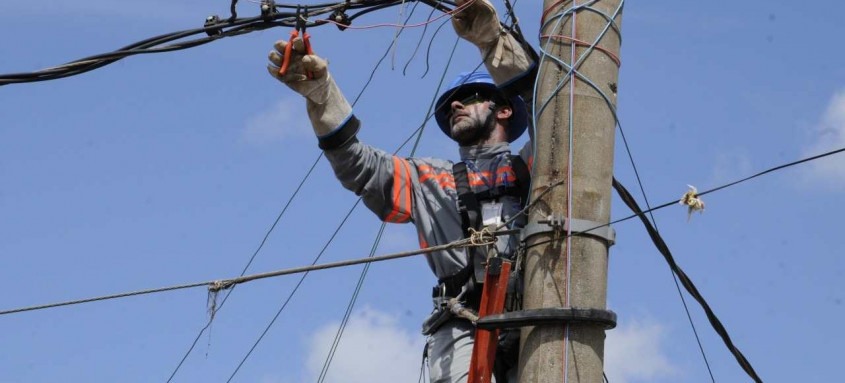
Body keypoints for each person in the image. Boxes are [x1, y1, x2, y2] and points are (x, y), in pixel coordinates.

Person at [267, 1, 537, 381]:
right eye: (449, 105)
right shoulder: (427, 177)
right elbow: (359, 167)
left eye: (470, 96)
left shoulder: (533, 165)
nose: (455, 104)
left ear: (504, 109)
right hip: (461, 321)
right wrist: (322, 97)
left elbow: (559, 114)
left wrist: (493, 43)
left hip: (535, 318)